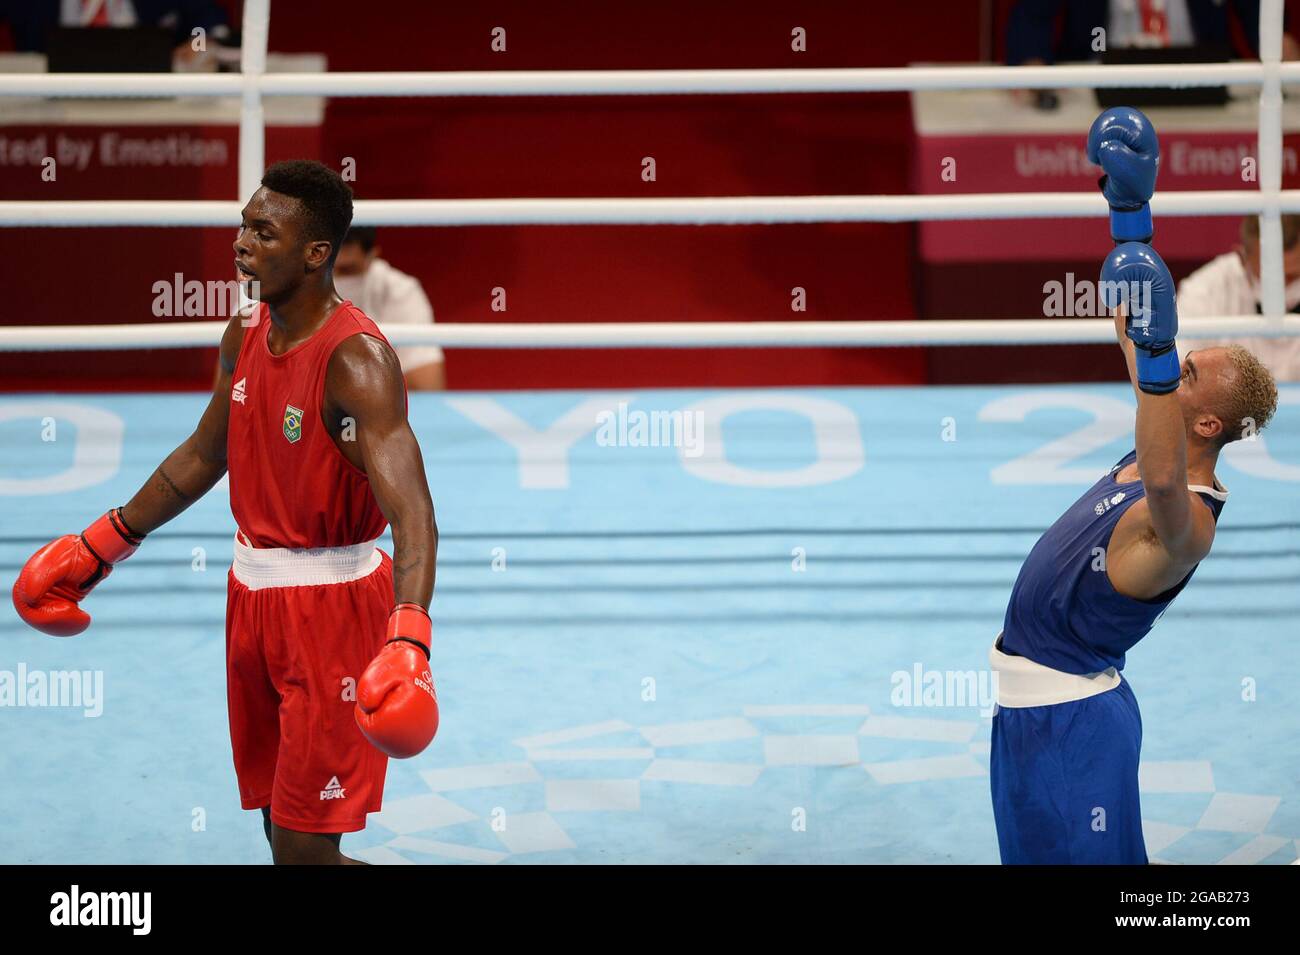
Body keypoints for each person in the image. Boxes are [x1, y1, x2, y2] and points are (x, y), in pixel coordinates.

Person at [11, 160, 440, 865]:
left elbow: (412, 510)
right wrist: (101, 543)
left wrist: (409, 639)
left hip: (333, 612)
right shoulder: (244, 333)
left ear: (316, 252)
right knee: (279, 827)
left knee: (303, 851)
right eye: (244, 222)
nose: (241, 241)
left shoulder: (357, 362)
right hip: (251, 601)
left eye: (263, 231)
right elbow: (207, 453)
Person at [989, 108, 1279, 863]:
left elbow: (1159, 477)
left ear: (1209, 424)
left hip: (1070, 726)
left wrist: (1155, 350)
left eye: (1185, 372)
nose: (1170, 363)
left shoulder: (1189, 523)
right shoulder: (1160, 427)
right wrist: (1128, 214)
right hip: (1041, 715)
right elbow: (1133, 328)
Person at [1177, 214, 1300, 382]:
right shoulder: (1204, 290)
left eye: (1294, 274)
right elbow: (1179, 367)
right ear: (1242, 257)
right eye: (1272, 276)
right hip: (1225, 407)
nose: (1283, 285)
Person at [334, 227, 446, 391]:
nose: (339, 279)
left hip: (379, 411)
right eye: (331, 268)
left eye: (348, 270)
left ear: (372, 255)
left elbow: (427, 383)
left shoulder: (400, 290)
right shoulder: (296, 287)